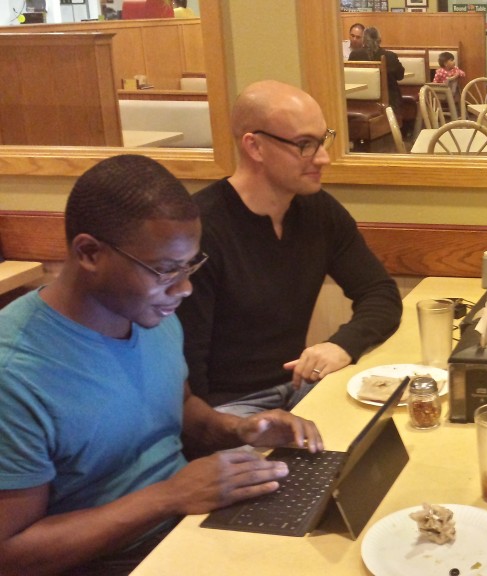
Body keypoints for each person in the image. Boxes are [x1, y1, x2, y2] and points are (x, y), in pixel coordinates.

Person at [0, 154, 323, 575]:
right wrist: (169, 496)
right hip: (112, 560)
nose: (185, 288)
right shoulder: (16, 374)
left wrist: (238, 429)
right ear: (89, 253)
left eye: (190, 265)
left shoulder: (150, 314)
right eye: (166, 270)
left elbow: (180, 406)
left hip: (187, 526)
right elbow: (11, 555)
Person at [176, 80, 402, 416]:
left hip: (299, 389)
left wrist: (341, 344)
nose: (323, 157)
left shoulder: (318, 211)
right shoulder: (199, 230)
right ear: (255, 147)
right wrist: (232, 436)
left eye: (323, 140)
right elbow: (188, 379)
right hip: (227, 409)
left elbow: (380, 294)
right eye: (305, 145)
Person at [348, 26, 406, 113]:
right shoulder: (390, 56)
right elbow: (400, 76)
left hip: (358, 101)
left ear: (363, 40)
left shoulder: (354, 55)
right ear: (379, 40)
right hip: (389, 103)